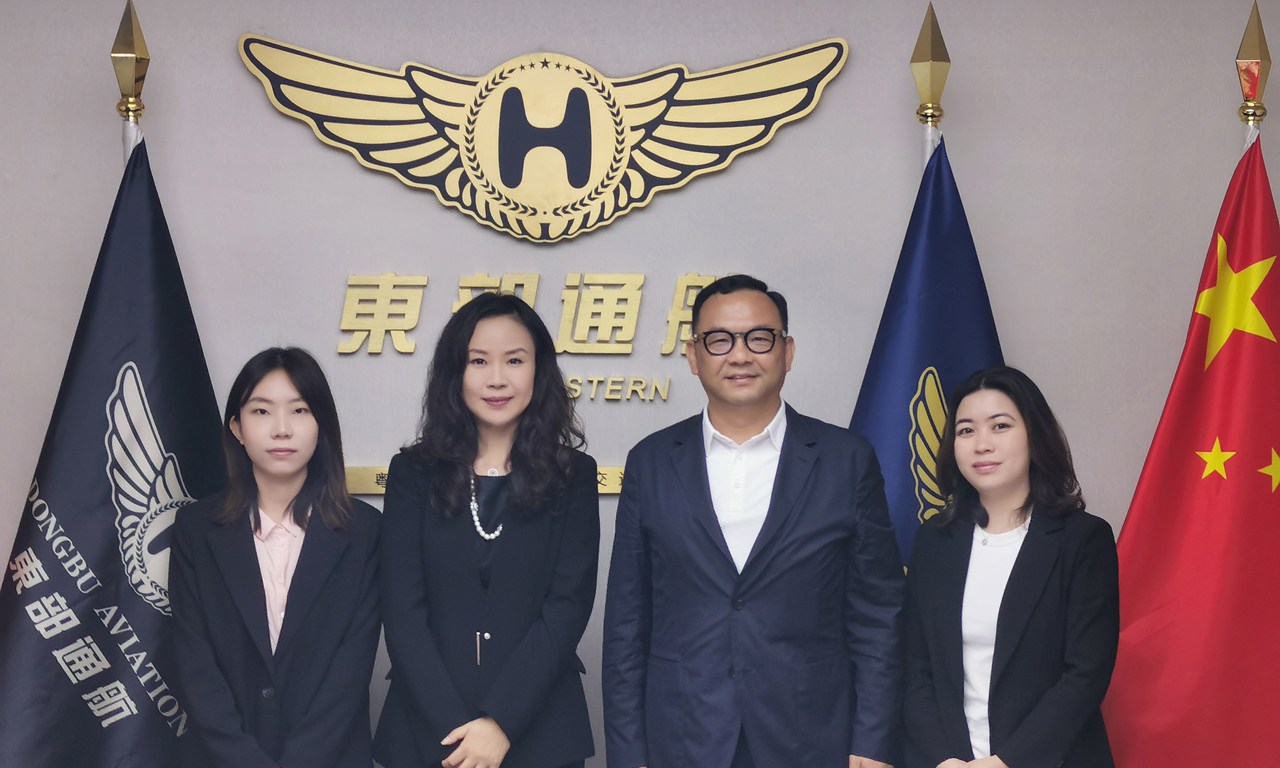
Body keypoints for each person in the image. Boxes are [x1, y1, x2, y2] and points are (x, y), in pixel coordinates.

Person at [603, 274, 904, 768]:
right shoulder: (651, 462)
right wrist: (628, 752)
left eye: (759, 338)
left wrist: (872, 744)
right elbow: (627, 622)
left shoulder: (846, 460)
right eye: (719, 340)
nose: (740, 355)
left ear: (788, 351)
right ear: (693, 356)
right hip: (683, 735)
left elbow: (878, 615)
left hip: (811, 737)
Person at [374, 292, 599, 768]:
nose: (497, 378)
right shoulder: (413, 473)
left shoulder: (573, 476)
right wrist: (456, 733)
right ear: (455, 372)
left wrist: (500, 723)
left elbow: (567, 607)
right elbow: (402, 612)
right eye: (478, 361)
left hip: (540, 732)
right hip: (426, 732)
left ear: (539, 370)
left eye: (514, 360)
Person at [169, 347, 381, 768]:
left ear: (321, 424)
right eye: (262, 411)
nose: (282, 429)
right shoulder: (196, 529)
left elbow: (351, 671)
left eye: (299, 411)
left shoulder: (364, 531)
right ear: (237, 427)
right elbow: (195, 665)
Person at [902, 366, 1119, 768]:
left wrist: (1006, 762)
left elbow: (1085, 674)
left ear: (1034, 435)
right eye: (966, 431)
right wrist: (943, 759)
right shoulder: (934, 541)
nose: (981, 444)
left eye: (1000, 426)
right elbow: (915, 667)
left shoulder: (1082, 539)